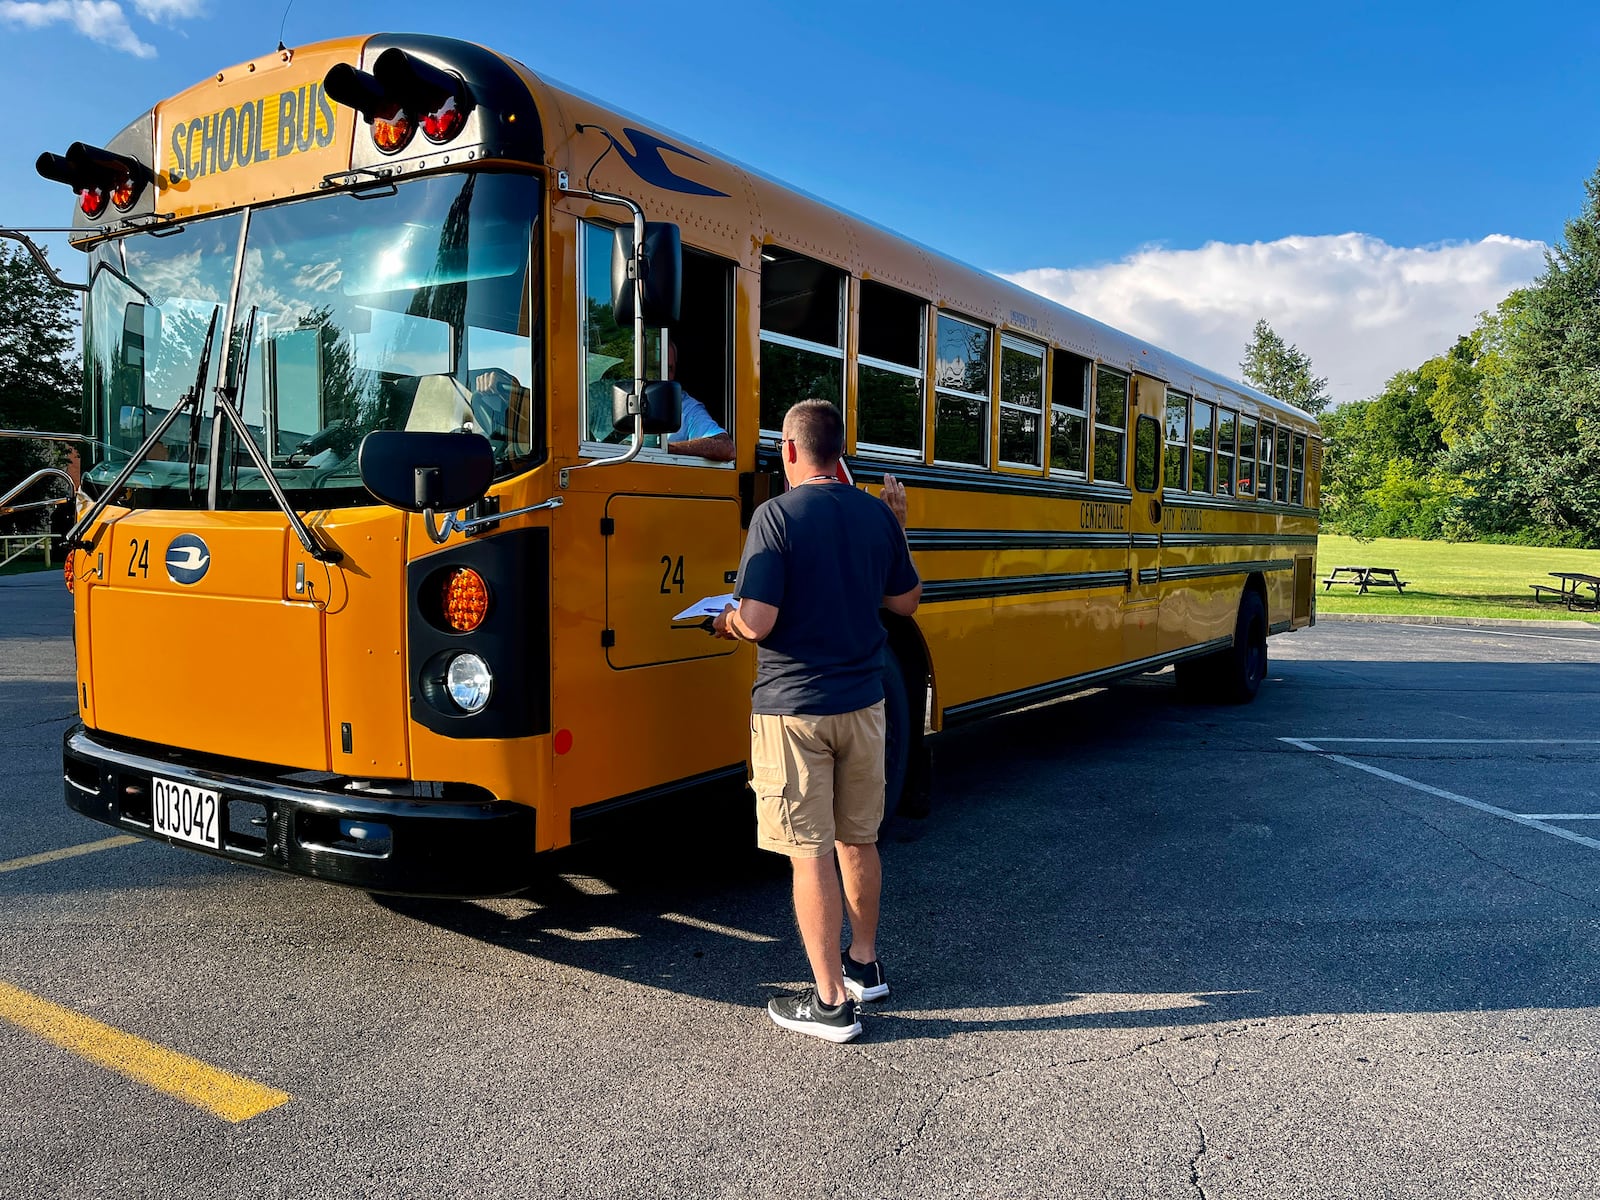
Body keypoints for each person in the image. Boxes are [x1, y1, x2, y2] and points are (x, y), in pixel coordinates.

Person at [713, 399, 919, 1043]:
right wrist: (899, 527)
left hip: (794, 712)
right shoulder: (875, 515)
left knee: (808, 854)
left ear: (792, 451)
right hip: (864, 706)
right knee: (858, 839)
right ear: (839, 453)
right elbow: (906, 602)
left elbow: (760, 620)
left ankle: (830, 1004)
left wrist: (725, 619)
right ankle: (864, 964)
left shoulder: (774, 517)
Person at [665, 341, 734, 461]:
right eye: (656, 367)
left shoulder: (686, 408)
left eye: (669, 369)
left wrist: (666, 449)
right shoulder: (627, 400)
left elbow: (726, 448)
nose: (664, 375)